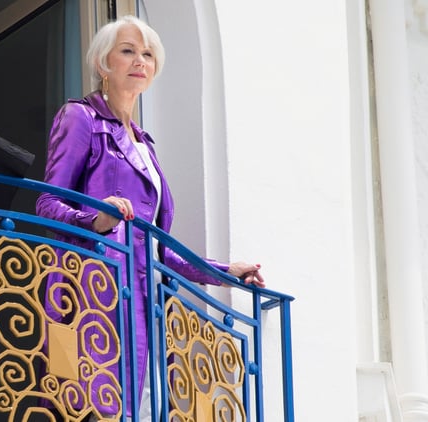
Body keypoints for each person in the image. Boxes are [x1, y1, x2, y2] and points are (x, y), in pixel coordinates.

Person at [35, 15, 265, 421]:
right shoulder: (80, 118)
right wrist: (96, 220)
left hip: (144, 301)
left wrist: (228, 271)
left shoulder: (144, 144)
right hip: (93, 290)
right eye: (127, 51)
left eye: (148, 54)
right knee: (97, 408)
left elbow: (157, 248)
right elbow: (48, 204)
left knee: (142, 409)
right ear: (103, 63)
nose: (140, 60)